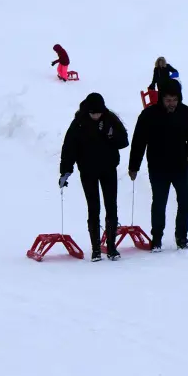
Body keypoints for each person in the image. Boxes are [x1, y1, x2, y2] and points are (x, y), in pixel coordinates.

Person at [129, 78, 188, 251]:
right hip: (158, 167)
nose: (172, 103)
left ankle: (181, 237)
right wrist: (134, 166)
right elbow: (138, 141)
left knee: (184, 202)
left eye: (175, 100)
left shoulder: (186, 113)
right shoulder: (149, 115)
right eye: (168, 100)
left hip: (180, 166)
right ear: (161, 98)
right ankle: (157, 239)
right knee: (159, 202)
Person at [60, 93, 129, 261]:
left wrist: (112, 136)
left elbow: (124, 142)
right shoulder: (79, 123)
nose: (96, 116)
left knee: (111, 206)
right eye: (93, 113)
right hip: (88, 171)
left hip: (108, 169)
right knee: (93, 207)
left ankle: (111, 247)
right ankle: (96, 249)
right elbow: (69, 148)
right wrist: (65, 171)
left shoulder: (110, 120)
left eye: (98, 113)